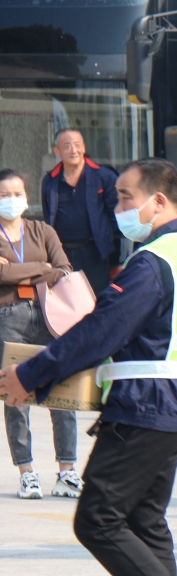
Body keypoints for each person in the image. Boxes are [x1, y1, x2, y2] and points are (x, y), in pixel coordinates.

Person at [0, 157, 177, 576]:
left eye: (126, 197)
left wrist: (31, 373)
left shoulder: (154, 262)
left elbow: (102, 330)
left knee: (97, 518)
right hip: (176, 400)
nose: (118, 206)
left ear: (159, 202)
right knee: (146, 523)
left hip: (144, 405)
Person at [0, 168, 81, 500]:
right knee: (15, 396)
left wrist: (13, 272)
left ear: (27, 197)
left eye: (17, 193)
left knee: (63, 392)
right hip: (9, 317)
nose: (12, 200)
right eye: (4, 194)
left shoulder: (42, 230)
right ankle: (26, 473)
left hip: (50, 316)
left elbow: (63, 270)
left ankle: (67, 472)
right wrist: (41, 269)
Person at [40, 129, 119, 295]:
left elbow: (116, 218)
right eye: (66, 146)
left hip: (95, 253)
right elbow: (48, 218)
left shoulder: (104, 176)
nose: (73, 150)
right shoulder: (50, 180)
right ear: (57, 151)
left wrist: (115, 258)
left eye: (77, 145)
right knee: (67, 300)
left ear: (84, 148)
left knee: (97, 302)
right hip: (62, 253)